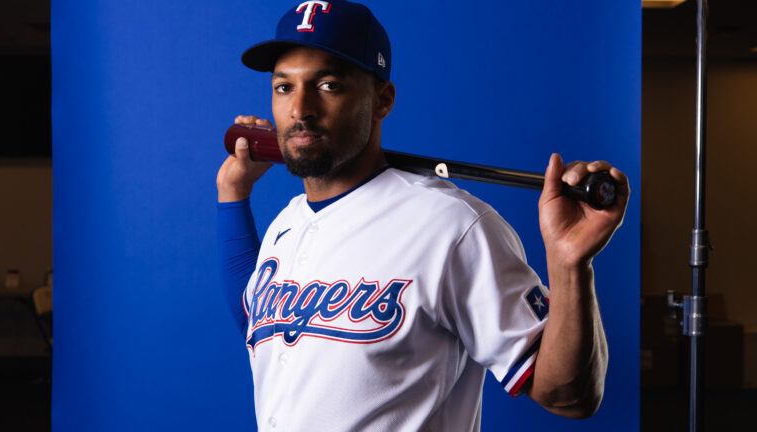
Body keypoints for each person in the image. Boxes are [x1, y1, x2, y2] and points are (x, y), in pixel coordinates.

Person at [217, 1, 629, 430]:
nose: (300, 109)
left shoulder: (453, 225)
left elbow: (569, 396)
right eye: (284, 87)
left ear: (382, 100)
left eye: (328, 85)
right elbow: (257, 321)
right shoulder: (288, 222)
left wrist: (569, 266)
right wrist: (234, 194)